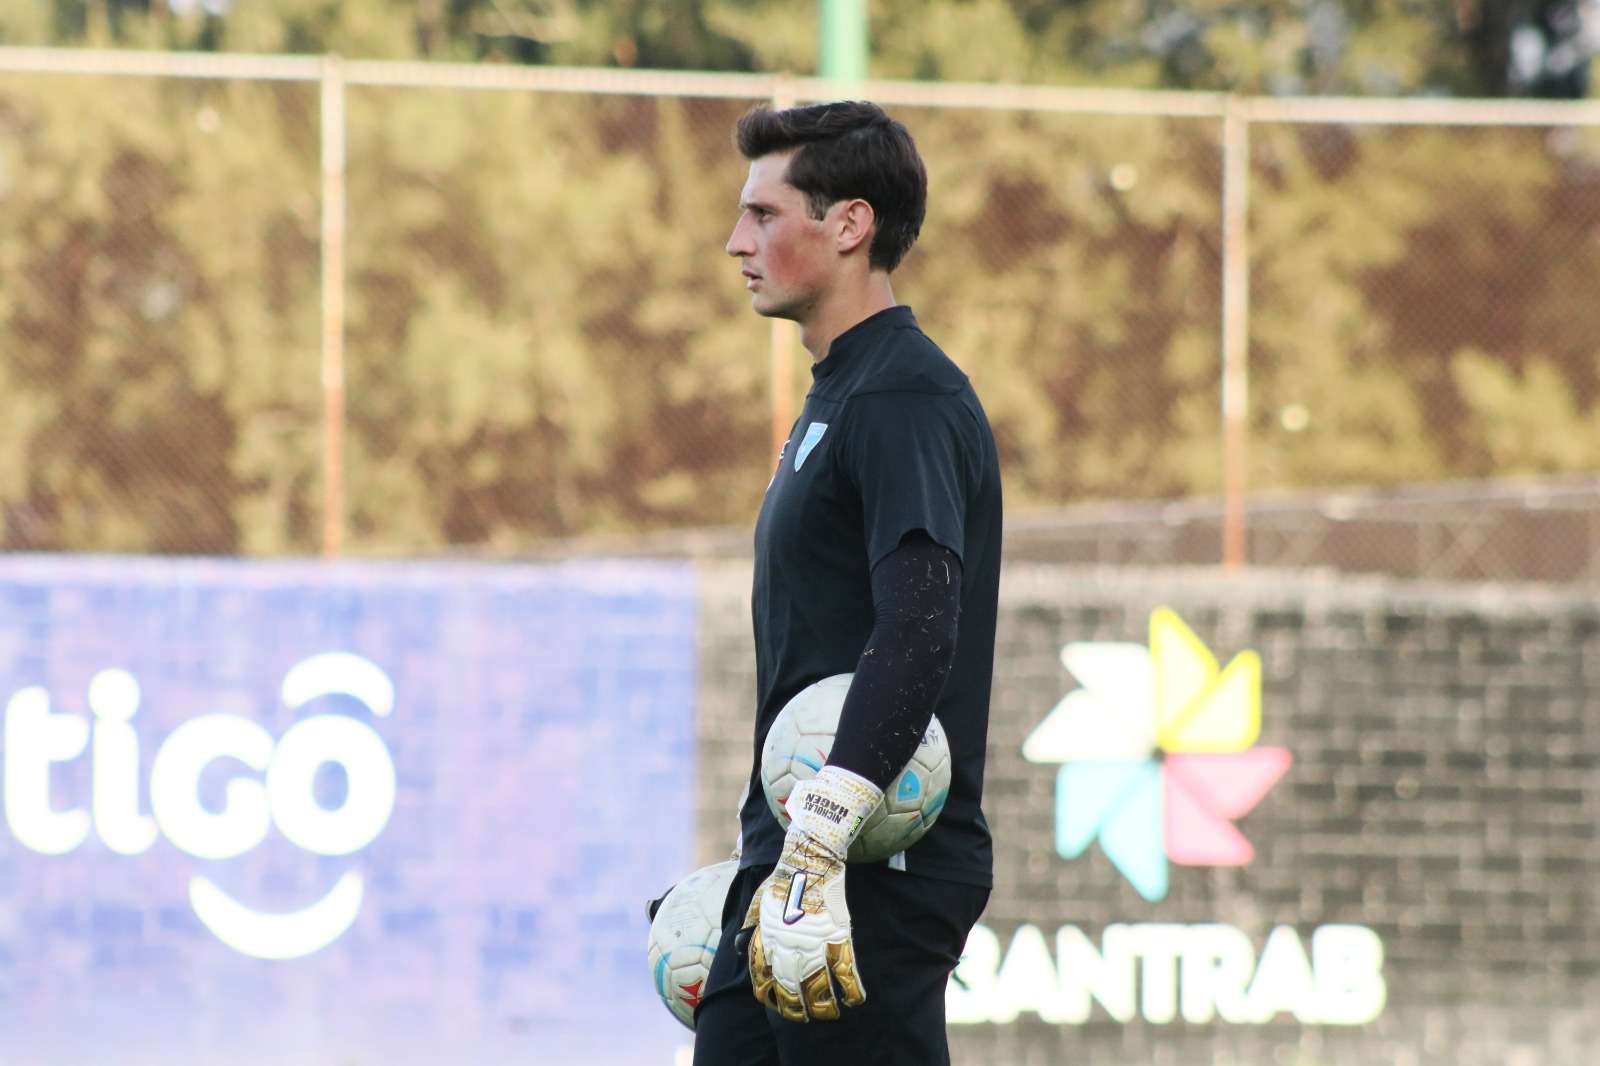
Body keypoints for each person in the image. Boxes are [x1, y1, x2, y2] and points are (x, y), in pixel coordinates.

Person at [692, 100, 1004, 1066]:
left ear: (849, 224)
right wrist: (773, 856)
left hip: (871, 868)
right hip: (799, 864)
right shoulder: (840, 389)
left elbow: (919, 628)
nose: (736, 241)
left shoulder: (903, 396)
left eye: (765, 215)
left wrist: (822, 837)